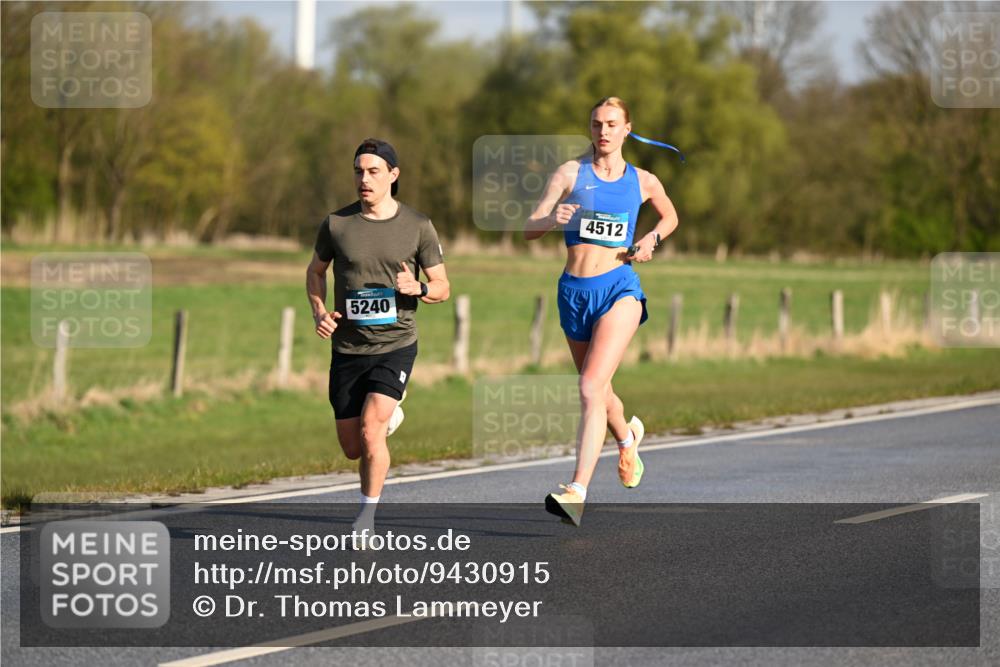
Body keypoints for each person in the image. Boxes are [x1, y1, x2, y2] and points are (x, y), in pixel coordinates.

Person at [524, 97, 680, 526]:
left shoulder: (643, 180)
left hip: (619, 288)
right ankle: (628, 438)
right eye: (596, 124)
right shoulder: (569, 174)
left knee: (591, 387)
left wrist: (650, 240)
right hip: (574, 292)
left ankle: (576, 491)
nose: (603, 131)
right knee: (600, 390)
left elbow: (670, 217)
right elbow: (528, 229)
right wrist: (554, 218)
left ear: (628, 129)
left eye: (612, 124)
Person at [306, 138, 450, 535]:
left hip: (396, 345)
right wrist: (320, 311)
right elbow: (315, 272)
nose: (364, 179)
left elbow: (442, 287)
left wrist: (417, 288)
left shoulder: (418, 225)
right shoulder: (337, 224)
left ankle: (366, 517)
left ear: (393, 175)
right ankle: (387, 418)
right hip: (349, 348)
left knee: (371, 429)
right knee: (353, 447)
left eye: (372, 171)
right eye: (358, 171)